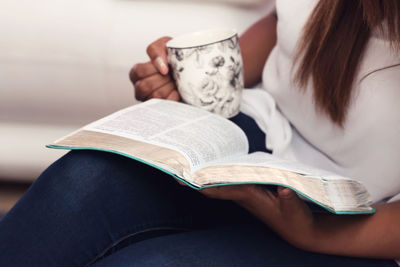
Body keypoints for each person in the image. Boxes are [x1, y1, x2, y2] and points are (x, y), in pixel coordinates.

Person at [0, 0, 399, 266]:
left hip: (361, 215)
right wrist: (204, 76)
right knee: (80, 182)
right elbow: (286, 20)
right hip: (266, 131)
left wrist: (315, 234)